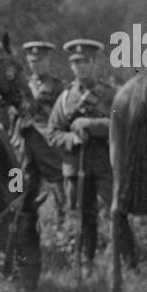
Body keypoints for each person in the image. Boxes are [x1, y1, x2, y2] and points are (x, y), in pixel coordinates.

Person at [44, 39, 114, 267]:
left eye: (86, 62)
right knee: (82, 215)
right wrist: (72, 138)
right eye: (76, 62)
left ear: (95, 63)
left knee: (115, 212)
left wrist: (91, 125)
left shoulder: (110, 94)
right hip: (76, 167)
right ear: (71, 66)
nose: (81, 67)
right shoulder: (64, 99)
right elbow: (52, 133)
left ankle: (124, 262)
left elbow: (120, 125)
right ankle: (86, 261)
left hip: (105, 164)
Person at [5, 40, 66, 292]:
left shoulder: (58, 88)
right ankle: (22, 275)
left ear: (48, 61)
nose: (36, 63)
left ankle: (70, 254)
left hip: (50, 154)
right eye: (31, 60)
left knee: (65, 202)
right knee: (19, 209)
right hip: (22, 158)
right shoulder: (23, 86)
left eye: (40, 59)